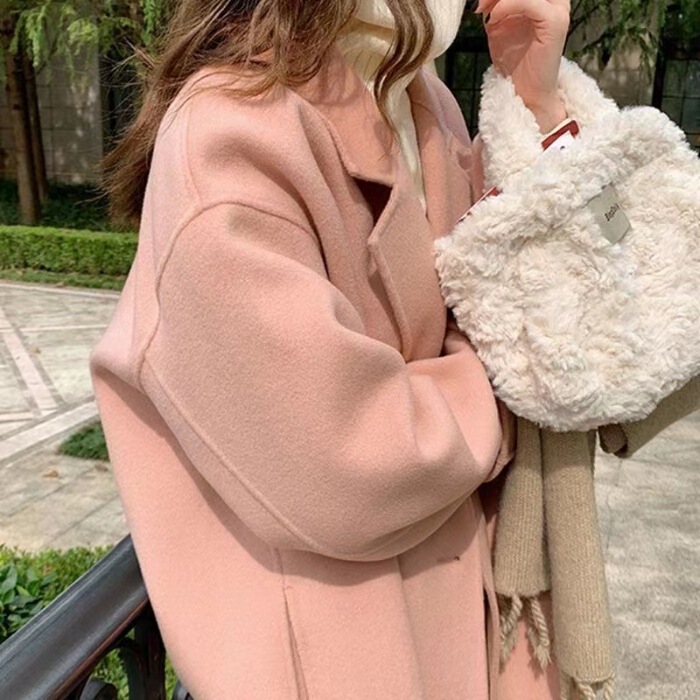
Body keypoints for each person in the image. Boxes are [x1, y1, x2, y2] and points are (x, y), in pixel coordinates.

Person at [89, 0, 579, 697]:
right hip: (346, 645)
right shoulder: (227, 135)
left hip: (470, 606)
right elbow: (349, 455)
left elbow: (577, 287)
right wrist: (520, 384)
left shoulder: (421, 100)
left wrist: (537, 97)